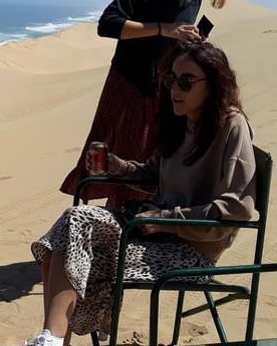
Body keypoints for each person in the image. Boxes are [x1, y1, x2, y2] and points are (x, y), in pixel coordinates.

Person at [25, 41, 256, 346]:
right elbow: (153, 178)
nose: (175, 89)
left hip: (190, 253)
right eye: (171, 79)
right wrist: (114, 166)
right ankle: (52, 340)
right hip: (152, 233)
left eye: (186, 82)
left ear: (213, 84)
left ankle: (52, 340)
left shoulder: (231, 126)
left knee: (69, 244)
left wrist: (165, 219)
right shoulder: (182, 124)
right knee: (66, 232)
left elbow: (237, 209)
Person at [60, 0, 228, 207]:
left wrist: (188, 42)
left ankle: (134, 234)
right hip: (130, 86)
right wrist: (162, 28)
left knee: (152, 168)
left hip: (166, 92)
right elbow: (108, 24)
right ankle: (109, 231)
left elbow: (173, 39)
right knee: (118, 163)